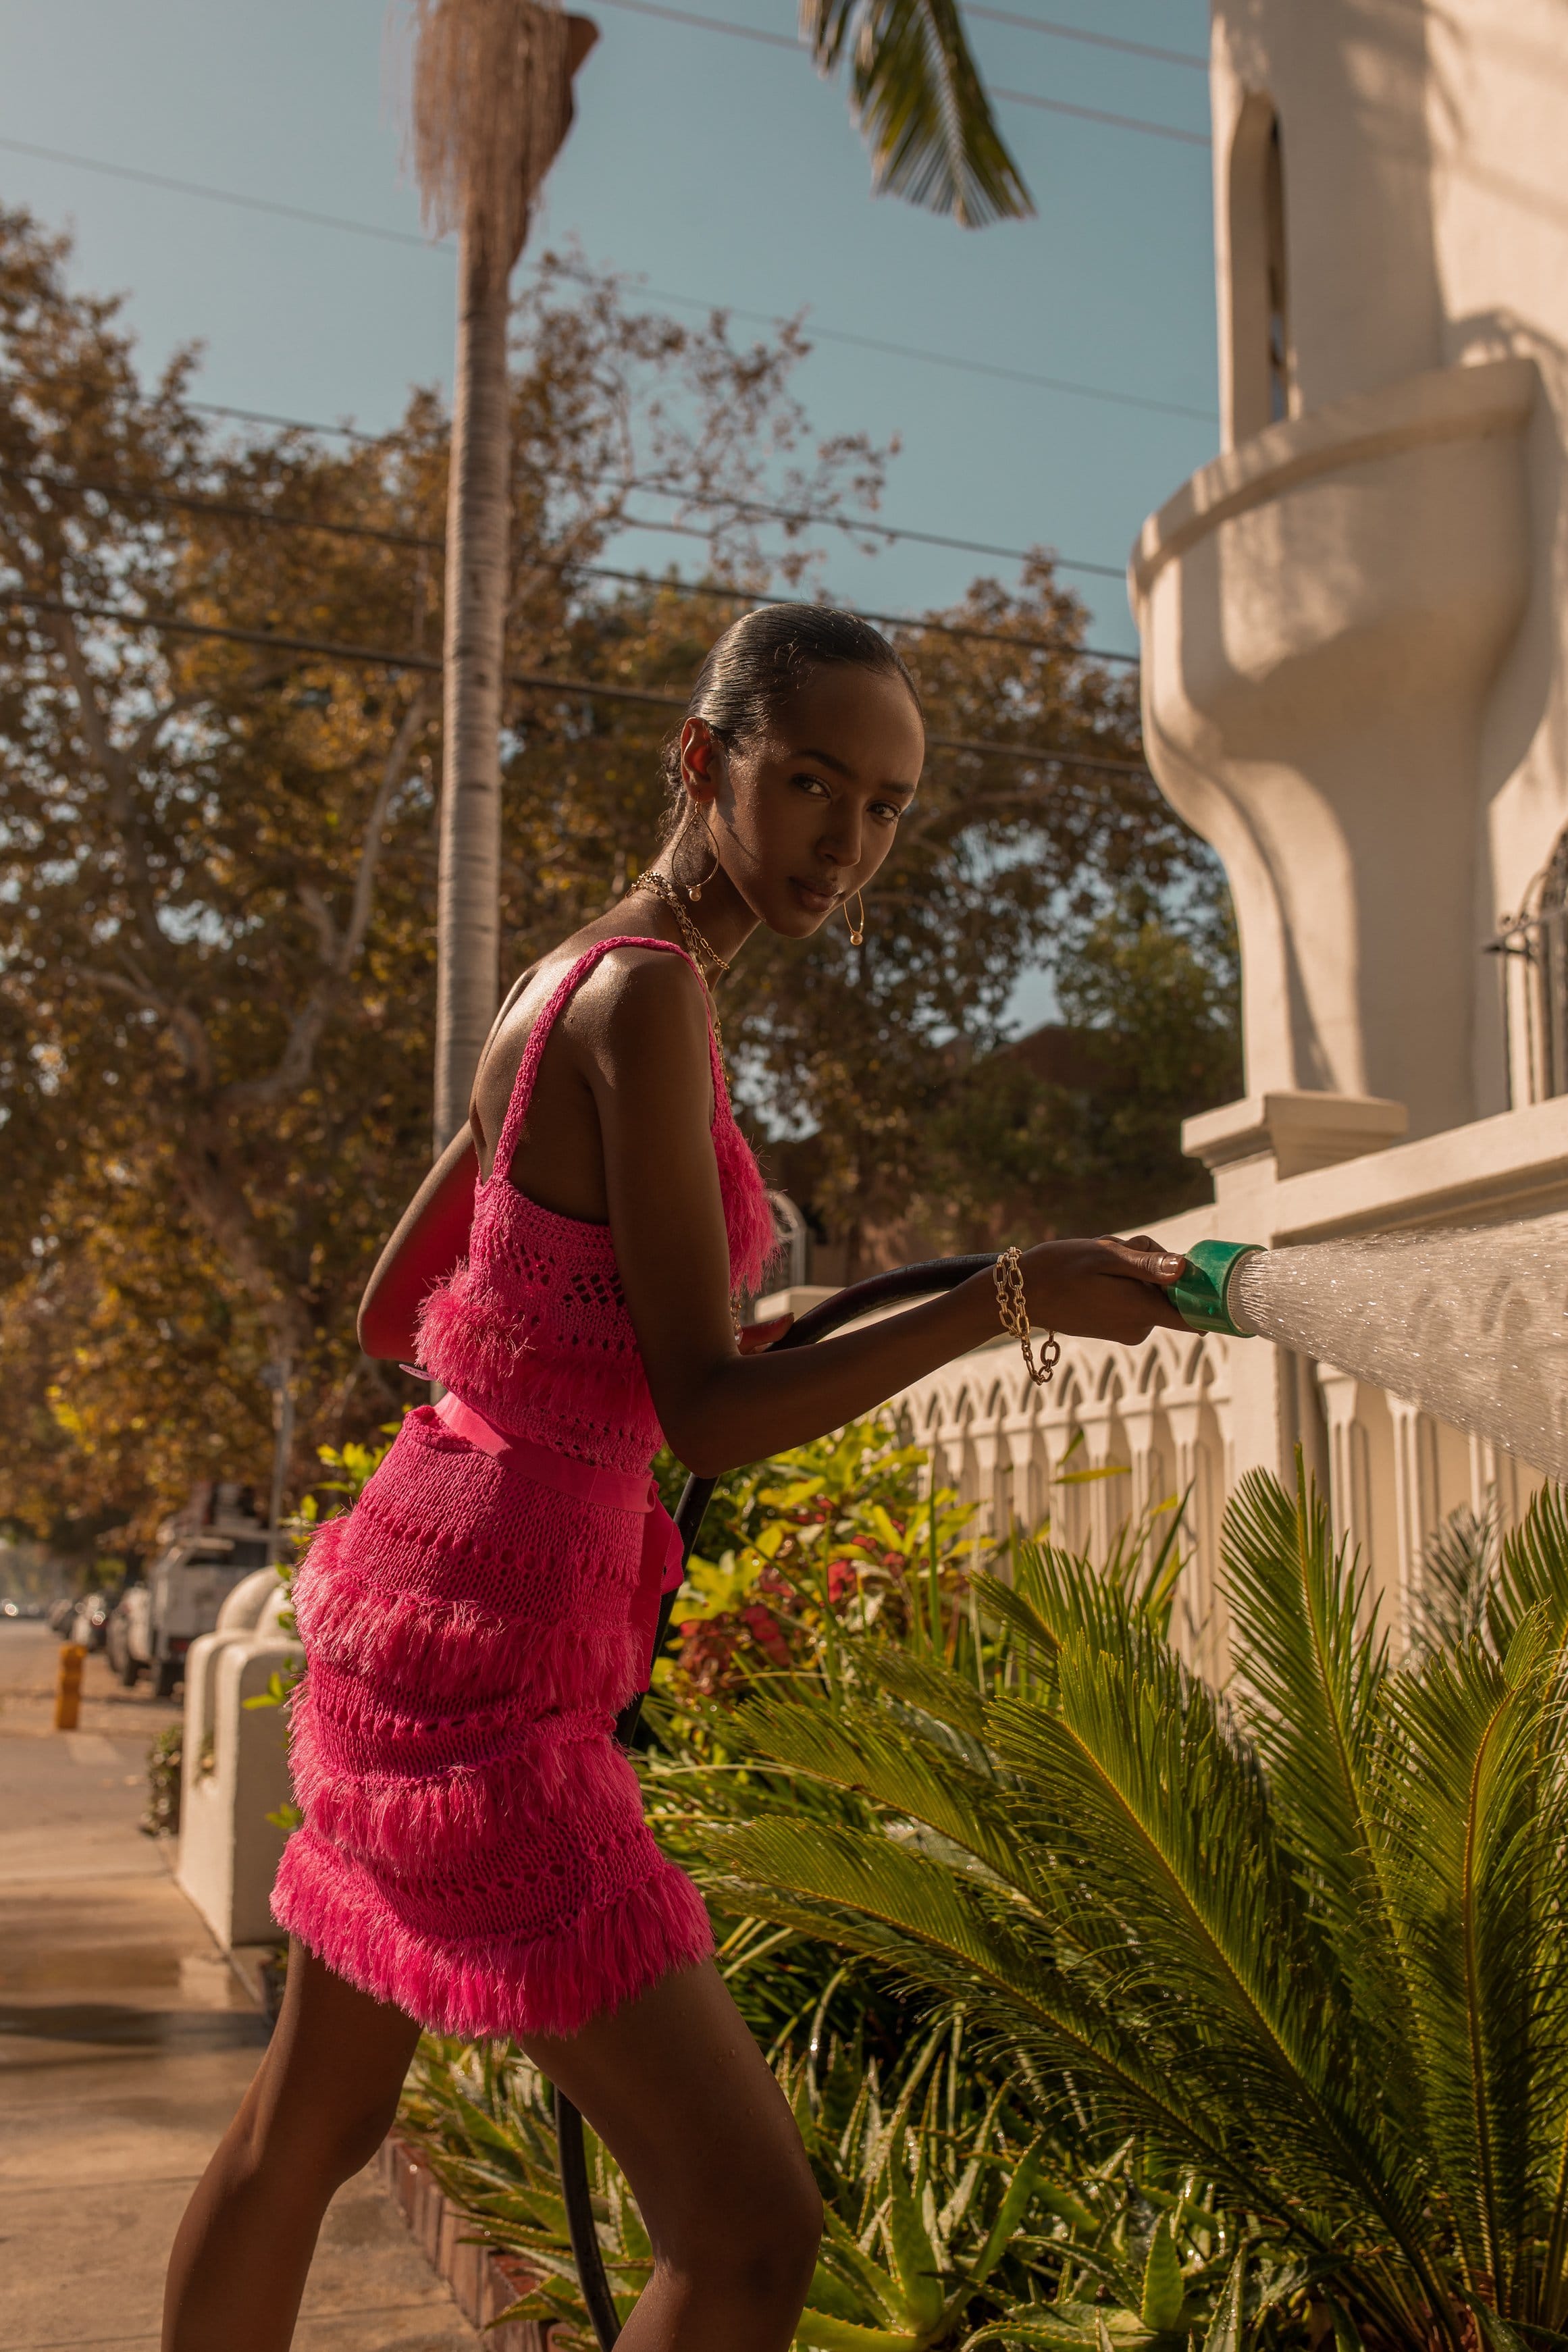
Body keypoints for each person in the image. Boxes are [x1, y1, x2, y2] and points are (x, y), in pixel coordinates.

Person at [162, 604, 1189, 2352]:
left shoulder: (561, 974)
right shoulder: (655, 1006)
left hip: (403, 1596)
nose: (843, 842)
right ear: (704, 762)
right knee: (749, 2229)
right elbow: (707, 1414)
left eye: (881, 807)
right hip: (492, 1668)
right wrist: (999, 1296)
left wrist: (618, 1331)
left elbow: (396, 1304)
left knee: (304, 2127)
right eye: (808, 783)